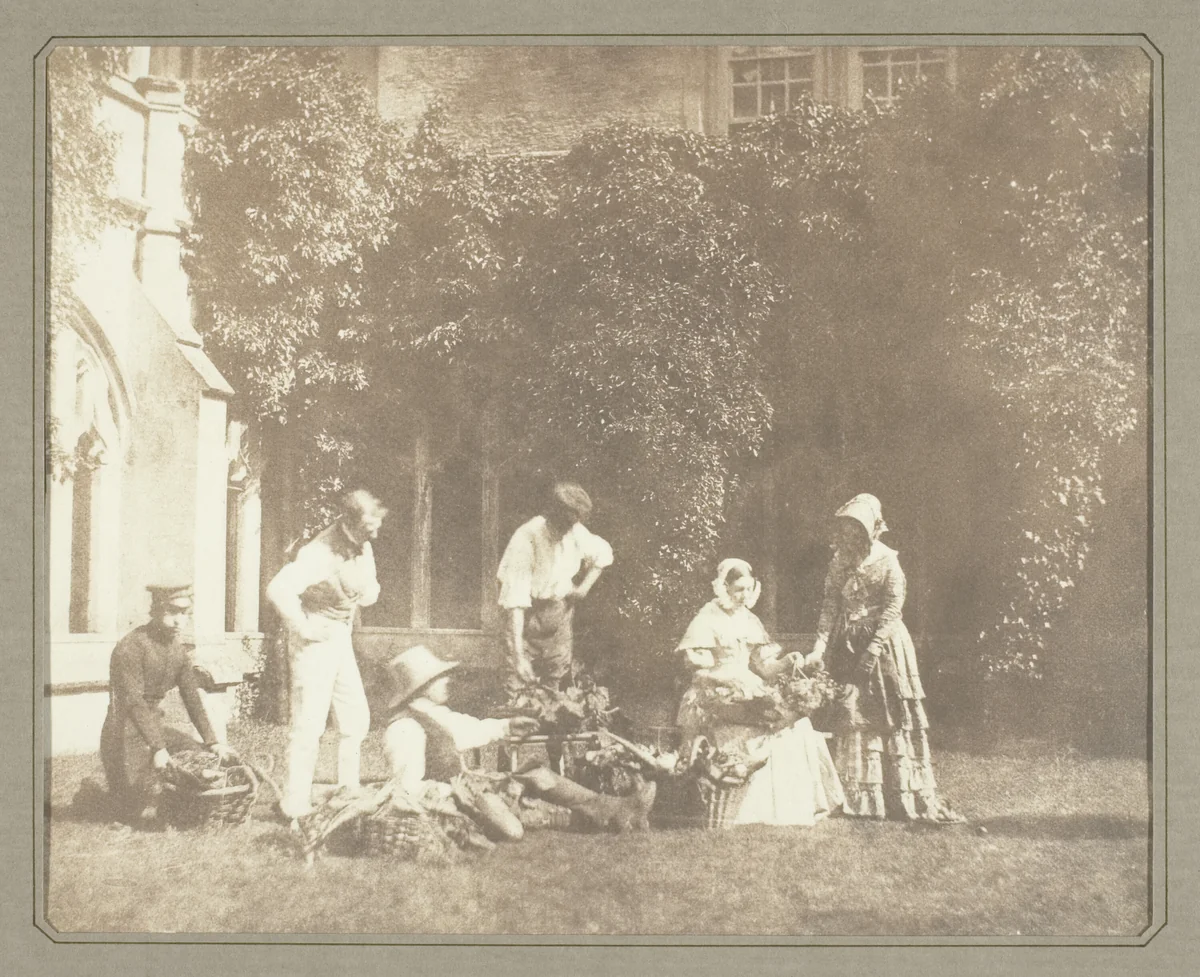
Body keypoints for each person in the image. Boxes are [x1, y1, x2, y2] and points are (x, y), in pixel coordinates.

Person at [806, 493, 963, 823]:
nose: (849, 537)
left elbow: (893, 610)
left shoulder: (889, 562)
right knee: (851, 712)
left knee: (886, 712)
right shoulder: (838, 564)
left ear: (871, 531)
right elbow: (829, 608)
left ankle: (894, 794)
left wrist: (874, 648)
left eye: (856, 530)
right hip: (845, 645)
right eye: (845, 530)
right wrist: (820, 648)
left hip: (884, 645)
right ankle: (854, 797)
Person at [675, 558, 844, 827]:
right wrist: (717, 674)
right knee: (757, 727)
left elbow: (764, 668)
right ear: (724, 586)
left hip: (748, 684)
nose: (744, 596)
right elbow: (698, 667)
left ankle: (794, 804)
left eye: (748, 589)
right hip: (715, 688)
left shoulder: (750, 620)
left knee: (794, 727)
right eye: (738, 589)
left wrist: (788, 662)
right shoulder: (707, 617)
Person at [266, 488, 386, 821]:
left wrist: (366, 591)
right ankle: (294, 804)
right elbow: (278, 589)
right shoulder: (319, 551)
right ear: (350, 519)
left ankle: (348, 793)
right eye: (370, 523)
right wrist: (303, 627)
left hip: (340, 636)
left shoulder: (363, 545)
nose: (376, 529)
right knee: (309, 723)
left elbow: (369, 592)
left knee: (355, 717)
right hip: (315, 639)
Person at [99, 584, 232, 825]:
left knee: (200, 759)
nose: (179, 621)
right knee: (131, 810)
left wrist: (213, 741)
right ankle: (100, 795)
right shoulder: (130, 647)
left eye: (185, 613)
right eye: (173, 612)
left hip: (154, 729)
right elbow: (134, 703)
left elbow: (192, 698)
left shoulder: (177, 652)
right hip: (123, 734)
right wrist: (159, 748)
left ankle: (168, 800)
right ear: (156, 610)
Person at [496, 481, 613, 695]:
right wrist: (519, 658)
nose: (565, 532)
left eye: (569, 526)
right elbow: (515, 604)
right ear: (550, 516)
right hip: (527, 619)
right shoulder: (526, 539)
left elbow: (603, 554)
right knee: (517, 686)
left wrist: (582, 589)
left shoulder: (574, 531)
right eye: (561, 526)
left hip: (559, 615)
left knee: (554, 687)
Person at [383, 645, 540, 797]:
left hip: (455, 794)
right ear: (420, 688)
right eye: (437, 678)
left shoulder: (432, 714)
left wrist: (508, 726)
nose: (447, 680)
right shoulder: (404, 728)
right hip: (434, 810)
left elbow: (470, 730)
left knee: (538, 779)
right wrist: (457, 790)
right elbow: (407, 788)